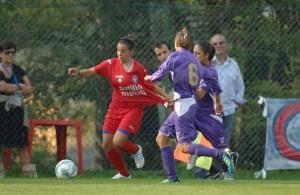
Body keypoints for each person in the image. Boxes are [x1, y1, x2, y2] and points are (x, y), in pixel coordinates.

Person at [68, 36, 170, 179]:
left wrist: (167, 98)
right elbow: (92, 71)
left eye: (123, 51)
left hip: (133, 109)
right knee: (107, 144)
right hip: (115, 108)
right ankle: (124, 174)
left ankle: (136, 150)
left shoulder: (138, 69)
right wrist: (78, 72)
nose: (120, 54)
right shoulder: (110, 64)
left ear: (131, 52)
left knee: (118, 141)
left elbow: (150, 86)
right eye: (118, 50)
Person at [145, 28, 234, 183]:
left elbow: (160, 74)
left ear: (176, 43)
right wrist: (218, 101)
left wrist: (149, 77)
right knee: (162, 138)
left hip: (184, 106)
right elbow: (213, 81)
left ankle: (221, 155)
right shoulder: (194, 61)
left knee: (185, 147)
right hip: (187, 104)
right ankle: (172, 177)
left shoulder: (176, 57)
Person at [0, 41, 37, 178]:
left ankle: (30, 175)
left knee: (22, 144)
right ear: (0, 54)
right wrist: (20, 86)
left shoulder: (18, 70)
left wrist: (13, 87)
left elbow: (30, 89)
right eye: (7, 52)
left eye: (12, 52)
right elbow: (2, 87)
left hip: (17, 110)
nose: (10, 55)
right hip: (1, 109)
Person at [210, 34, 246, 145]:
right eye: (215, 44)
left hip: (229, 109)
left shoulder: (233, 64)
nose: (218, 45)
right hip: (211, 111)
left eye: (221, 43)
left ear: (226, 45)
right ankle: (212, 163)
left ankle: (222, 162)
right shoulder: (207, 65)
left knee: (225, 143)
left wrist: (237, 101)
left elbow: (240, 85)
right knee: (211, 142)